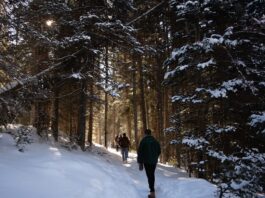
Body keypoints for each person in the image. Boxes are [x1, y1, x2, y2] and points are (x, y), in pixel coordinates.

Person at [137, 129, 161, 198]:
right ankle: (152, 189)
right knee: (152, 174)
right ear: (150, 133)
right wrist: (155, 157)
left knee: (149, 175)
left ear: (145, 134)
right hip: (154, 161)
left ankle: (152, 192)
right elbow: (159, 151)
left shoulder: (143, 141)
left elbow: (140, 152)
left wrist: (140, 162)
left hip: (146, 161)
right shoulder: (155, 141)